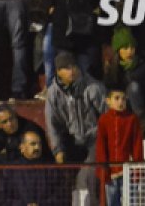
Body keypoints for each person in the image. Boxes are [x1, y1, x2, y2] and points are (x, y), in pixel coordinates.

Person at [46, 52, 106, 204]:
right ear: (58, 72)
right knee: (61, 175)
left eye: (73, 66)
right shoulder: (53, 93)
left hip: (94, 137)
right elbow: (52, 125)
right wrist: (58, 149)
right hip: (71, 139)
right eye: (66, 68)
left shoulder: (94, 87)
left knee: (94, 174)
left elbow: (108, 117)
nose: (71, 71)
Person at [102, 26, 145, 134]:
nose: (130, 51)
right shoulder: (114, 68)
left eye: (132, 47)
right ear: (118, 50)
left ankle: (144, 124)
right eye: (125, 48)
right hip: (126, 109)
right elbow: (110, 91)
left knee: (133, 87)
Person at [96, 88, 144, 206]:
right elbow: (101, 147)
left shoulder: (132, 119)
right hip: (110, 172)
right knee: (112, 202)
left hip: (128, 171)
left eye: (123, 99)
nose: (120, 102)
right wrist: (103, 170)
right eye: (116, 98)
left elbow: (137, 145)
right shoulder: (104, 120)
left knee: (130, 202)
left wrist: (138, 170)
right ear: (108, 101)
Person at [0, 130, 68, 206]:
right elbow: (1, 199)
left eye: (39, 144)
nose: (37, 147)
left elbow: (61, 197)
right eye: (33, 144)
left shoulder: (51, 169)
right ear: (22, 147)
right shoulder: (11, 170)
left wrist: (41, 205)